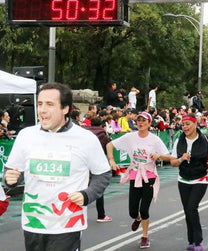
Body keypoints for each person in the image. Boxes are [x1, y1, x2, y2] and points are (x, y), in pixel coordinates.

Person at [3, 83, 111, 251]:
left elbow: (103, 174)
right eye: (40, 104)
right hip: (33, 222)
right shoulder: (26, 136)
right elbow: (12, 172)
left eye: (50, 104)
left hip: (67, 224)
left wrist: (87, 194)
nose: (42, 110)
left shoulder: (85, 138)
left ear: (65, 108)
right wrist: (10, 179)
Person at [106, 112, 171, 249]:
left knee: (144, 209)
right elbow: (109, 145)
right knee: (132, 211)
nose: (140, 123)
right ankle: (137, 218)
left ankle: (145, 236)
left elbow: (168, 157)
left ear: (149, 123)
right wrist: (111, 161)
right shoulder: (130, 137)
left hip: (149, 176)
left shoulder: (155, 139)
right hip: (135, 175)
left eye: (143, 121)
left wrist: (158, 155)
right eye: (138, 120)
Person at [170, 113, 208, 251]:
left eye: (188, 124)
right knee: (188, 210)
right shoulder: (178, 141)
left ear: (195, 124)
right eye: (183, 124)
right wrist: (181, 159)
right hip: (183, 179)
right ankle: (191, 240)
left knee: (192, 208)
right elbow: (173, 162)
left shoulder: (205, 139)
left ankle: (198, 241)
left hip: (200, 178)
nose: (185, 127)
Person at [84, 117, 113, 223]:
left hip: (84, 163)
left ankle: (75, 213)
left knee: (81, 187)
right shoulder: (102, 134)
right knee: (98, 189)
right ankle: (101, 215)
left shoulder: (84, 133)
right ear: (101, 125)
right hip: (97, 164)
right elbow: (108, 146)